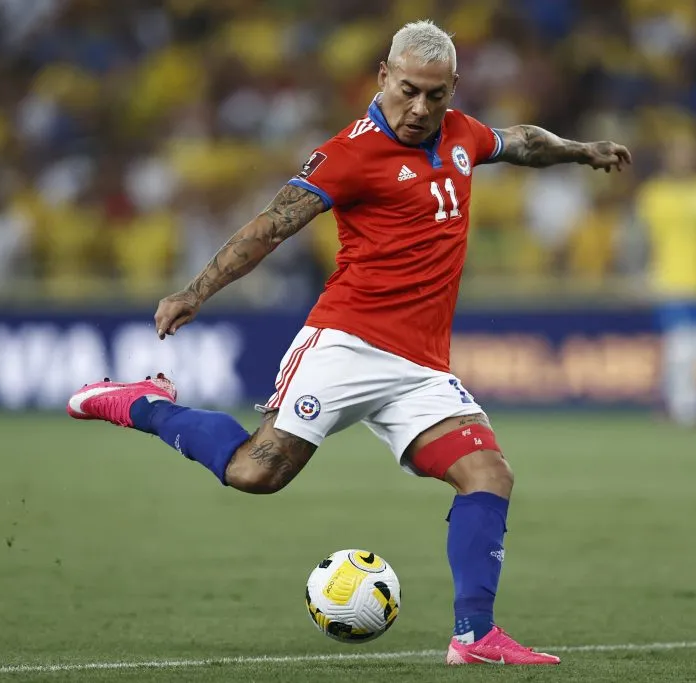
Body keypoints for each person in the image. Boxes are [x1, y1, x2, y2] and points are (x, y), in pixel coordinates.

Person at [68, 20, 630, 666]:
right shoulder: (349, 154)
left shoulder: (461, 134)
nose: (420, 108)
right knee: (256, 472)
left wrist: (581, 150)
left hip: (420, 366)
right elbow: (270, 226)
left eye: (436, 96)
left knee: (488, 473)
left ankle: (474, 635)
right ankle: (142, 402)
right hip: (347, 343)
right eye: (409, 91)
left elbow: (522, 142)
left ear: (454, 89)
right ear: (383, 77)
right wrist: (196, 291)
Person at [636, 131, 696, 427]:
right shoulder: (654, 194)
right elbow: (645, 241)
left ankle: (671, 401)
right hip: (669, 281)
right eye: (678, 152)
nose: (684, 159)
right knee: (679, 349)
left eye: (689, 152)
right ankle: (686, 409)